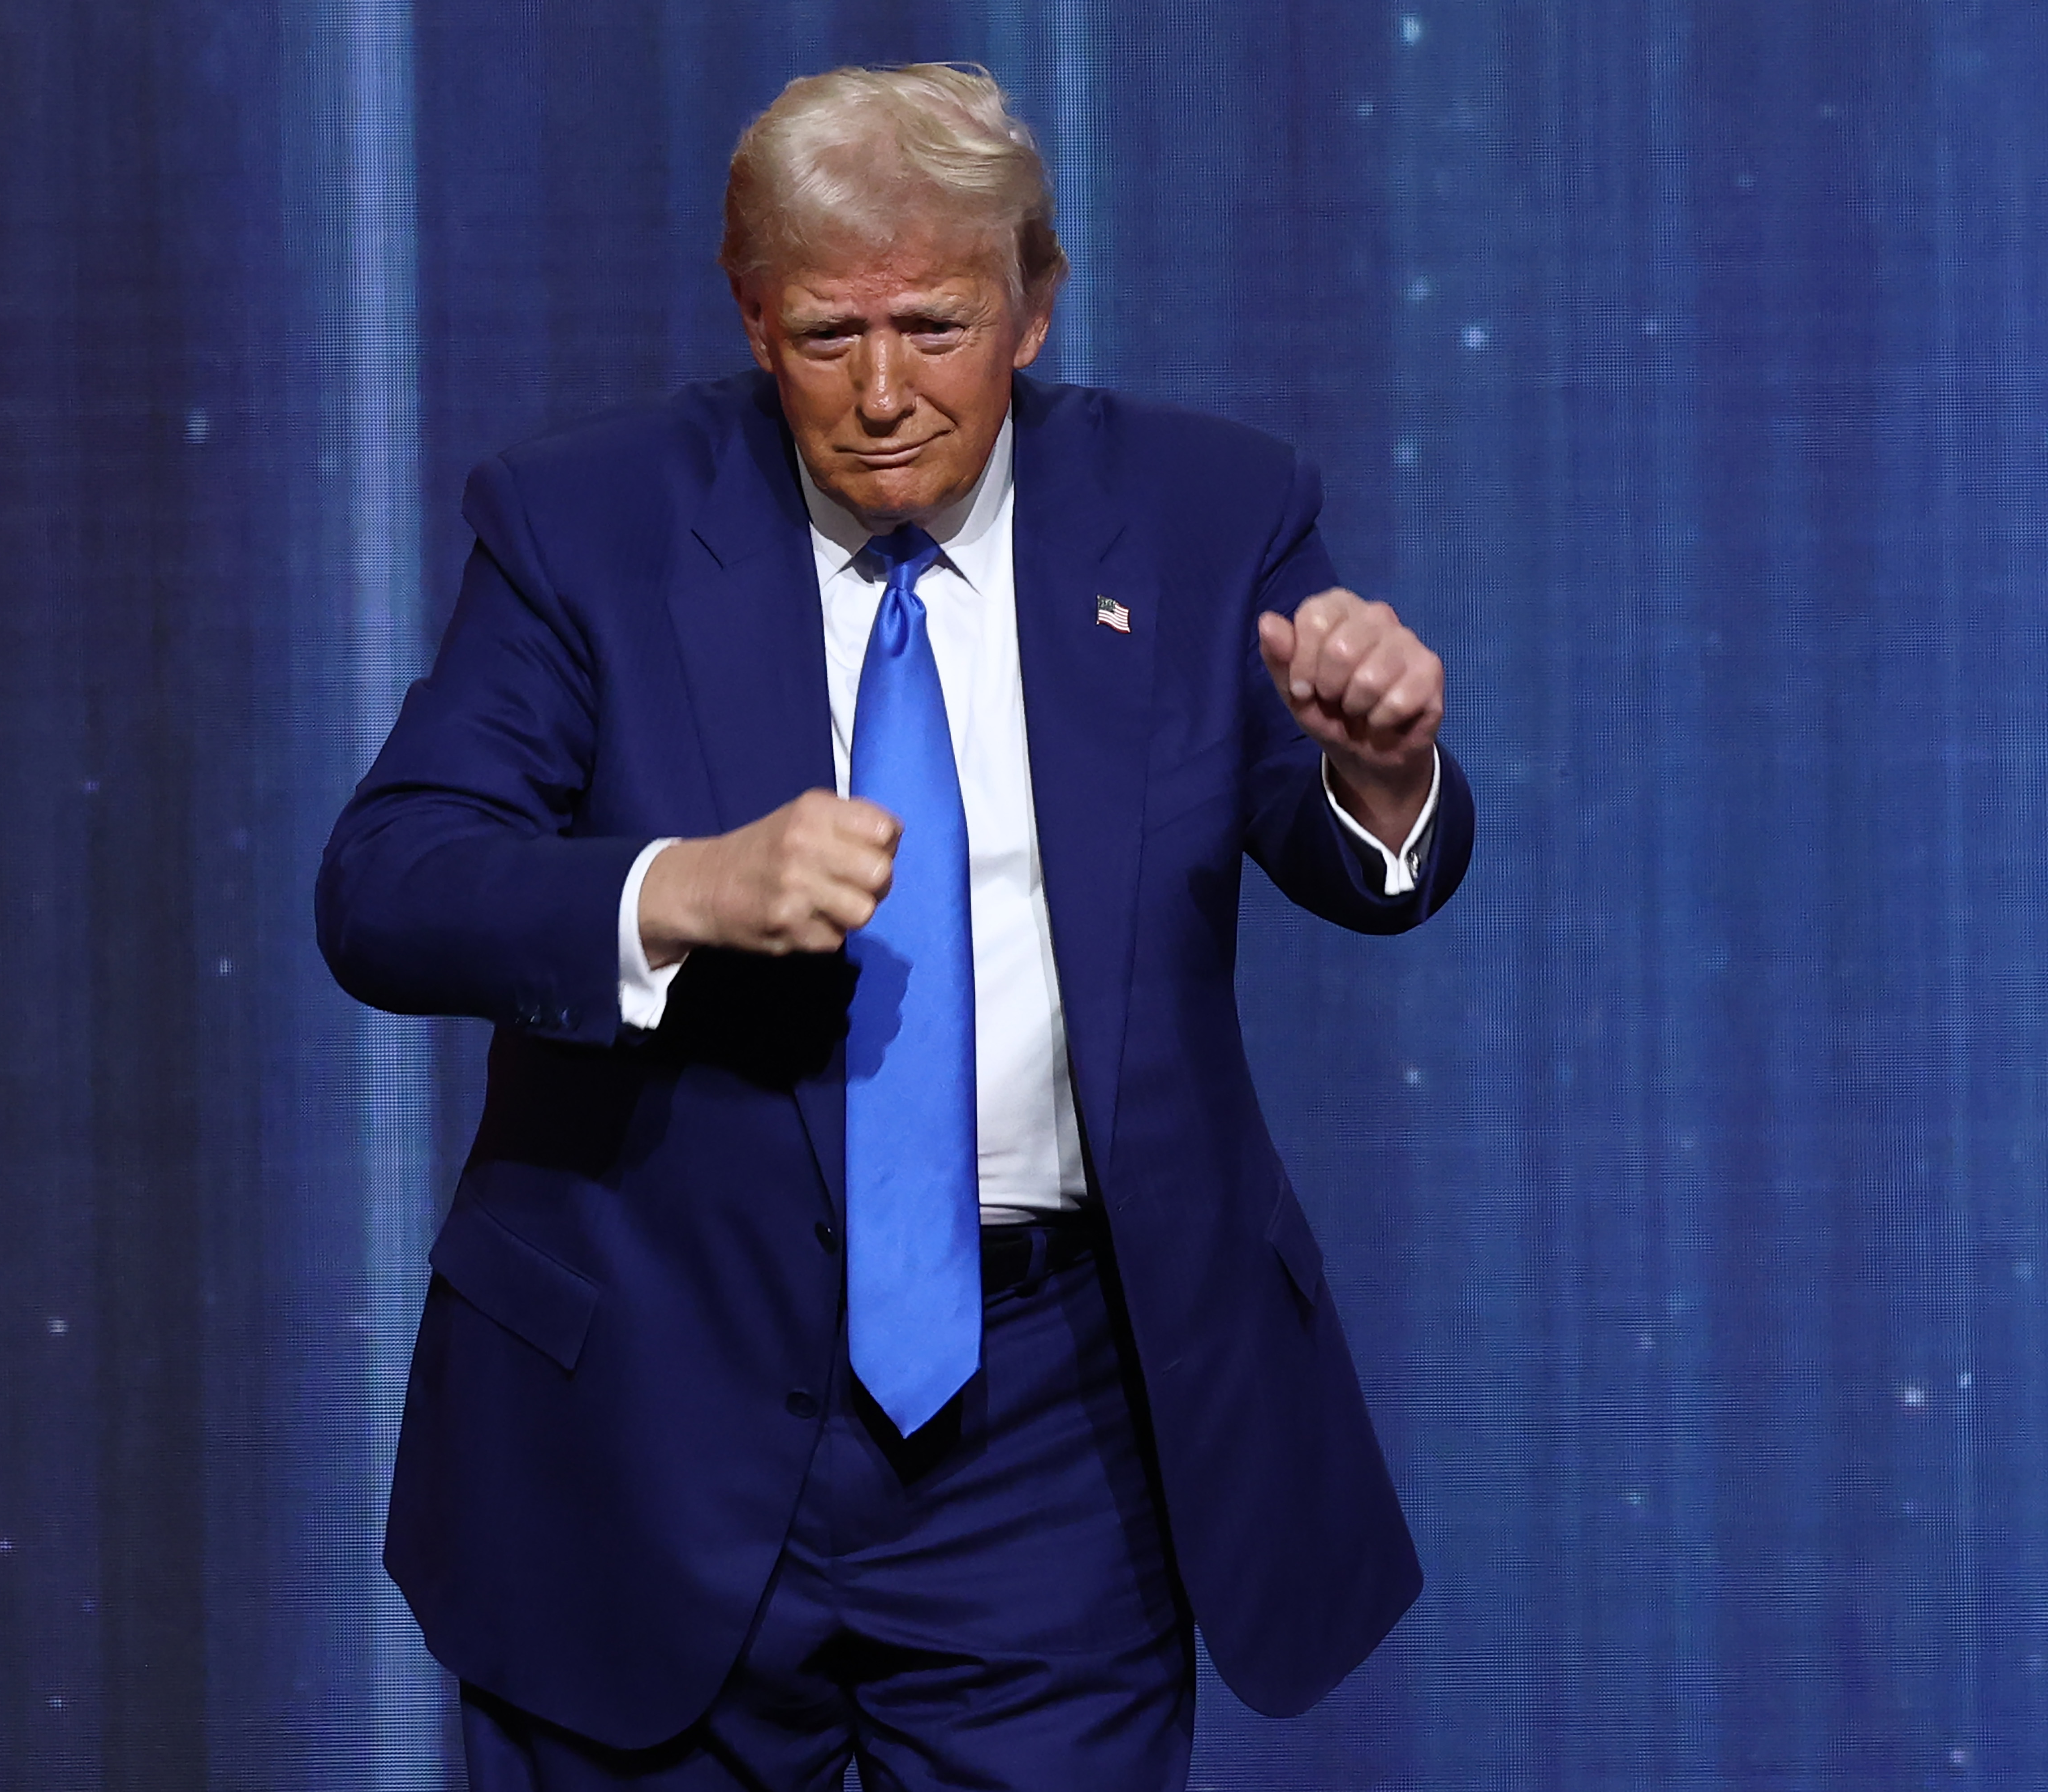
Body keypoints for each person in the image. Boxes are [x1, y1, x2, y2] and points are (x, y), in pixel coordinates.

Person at [317, 62, 1474, 1791]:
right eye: (824, 336)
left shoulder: (1203, 511)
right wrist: (676, 890)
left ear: (1033, 306)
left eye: (933, 328)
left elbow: (1349, 861)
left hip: (1055, 1439)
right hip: (648, 1404)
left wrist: (1382, 776)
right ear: (749, 314)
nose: (879, 395)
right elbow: (387, 885)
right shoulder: (587, 526)